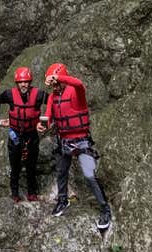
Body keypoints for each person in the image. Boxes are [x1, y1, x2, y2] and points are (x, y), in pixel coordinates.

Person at [37, 63, 112, 230]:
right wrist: (43, 125)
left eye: (57, 83)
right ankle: (62, 200)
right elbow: (48, 116)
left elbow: (78, 83)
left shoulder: (76, 91)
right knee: (61, 171)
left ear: (62, 79)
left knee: (89, 175)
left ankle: (105, 209)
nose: (55, 87)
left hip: (81, 140)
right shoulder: (52, 97)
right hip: (64, 140)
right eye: (53, 84)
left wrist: (59, 77)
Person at [0, 67, 49, 203]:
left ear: (30, 82)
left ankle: (32, 193)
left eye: (26, 82)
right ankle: (15, 193)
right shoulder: (9, 95)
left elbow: (53, 103)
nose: (23, 85)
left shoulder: (39, 95)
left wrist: (47, 121)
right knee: (15, 167)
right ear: (16, 83)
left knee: (31, 166)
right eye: (20, 82)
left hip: (31, 135)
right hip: (15, 135)